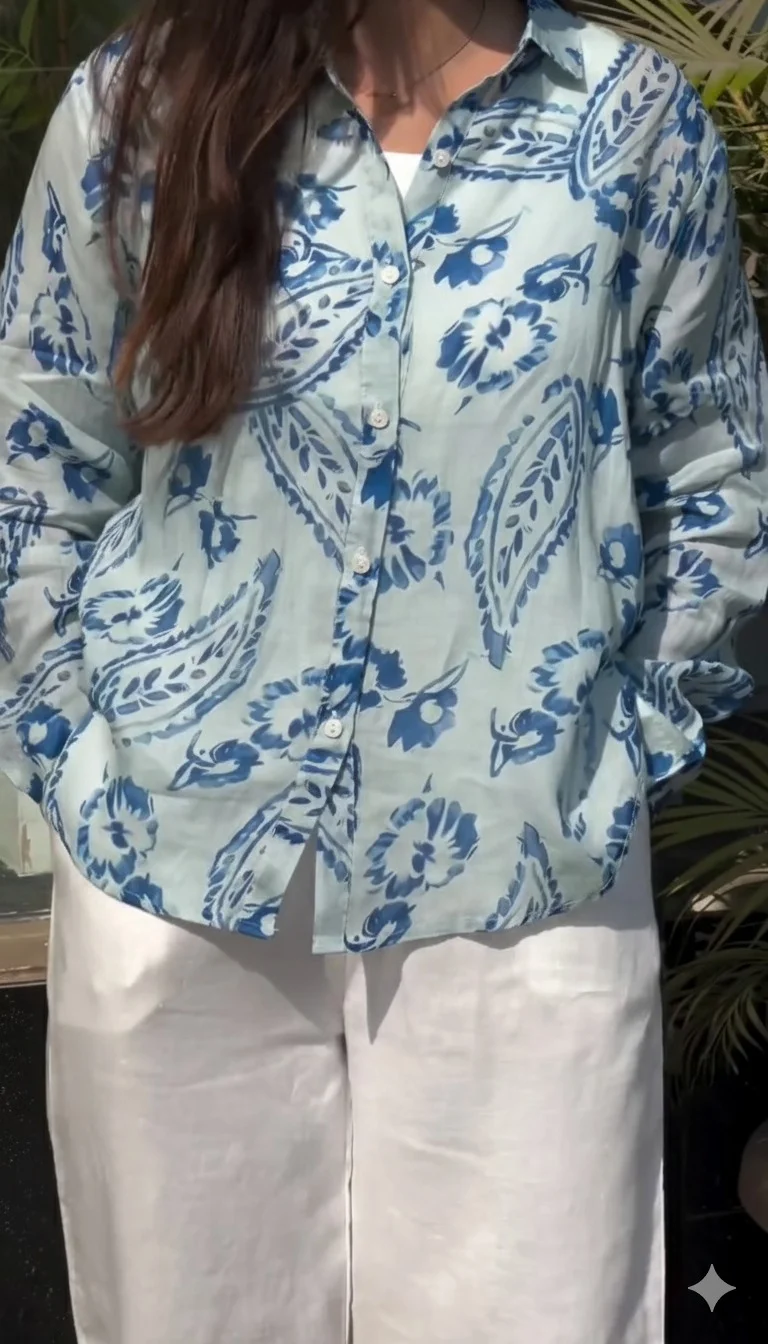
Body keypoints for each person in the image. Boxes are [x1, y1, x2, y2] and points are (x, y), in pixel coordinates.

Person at [0, 0, 766, 1339]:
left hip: (525, 874)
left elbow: (713, 477)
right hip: (174, 866)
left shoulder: (632, 121)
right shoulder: (143, 108)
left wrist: (613, 750)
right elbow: (36, 461)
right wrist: (77, 750)